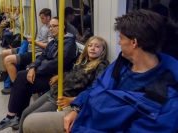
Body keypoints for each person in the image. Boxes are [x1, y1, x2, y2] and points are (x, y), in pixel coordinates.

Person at [25, 9, 178, 133]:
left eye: (121, 38)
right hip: (86, 112)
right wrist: (77, 108)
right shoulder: (121, 63)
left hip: (95, 126)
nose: (118, 42)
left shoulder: (164, 99)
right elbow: (96, 87)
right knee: (29, 122)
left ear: (134, 43)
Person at [0, 17, 77, 131]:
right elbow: (42, 56)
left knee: (22, 78)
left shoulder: (69, 43)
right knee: (24, 81)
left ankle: (11, 116)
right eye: (50, 26)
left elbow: (57, 63)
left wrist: (36, 70)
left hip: (56, 76)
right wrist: (32, 67)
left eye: (54, 26)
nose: (51, 28)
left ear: (63, 26)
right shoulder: (54, 41)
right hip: (46, 71)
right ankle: (16, 116)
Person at [17, 36, 109, 132]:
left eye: (97, 46)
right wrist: (60, 76)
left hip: (61, 99)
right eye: (90, 45)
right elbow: (72, 72)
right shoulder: (83, 60)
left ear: (103, 50)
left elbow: (95, 90)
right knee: (25, 113)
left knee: (29, 120)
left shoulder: (101, 66)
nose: (93, 48)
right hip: (54, 91)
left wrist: (73, 100)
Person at [0, 8, 52, 94]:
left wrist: (35, 42)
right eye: (40, 18)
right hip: (30, 47)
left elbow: (48, 46)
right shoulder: (44, 26)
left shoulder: (50, 30)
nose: (41, 20)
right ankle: (4, 75)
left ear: (48, 17)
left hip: (35, 52)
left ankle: (15, 85)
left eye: (42, 18)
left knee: (8, 60)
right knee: (4, 53)